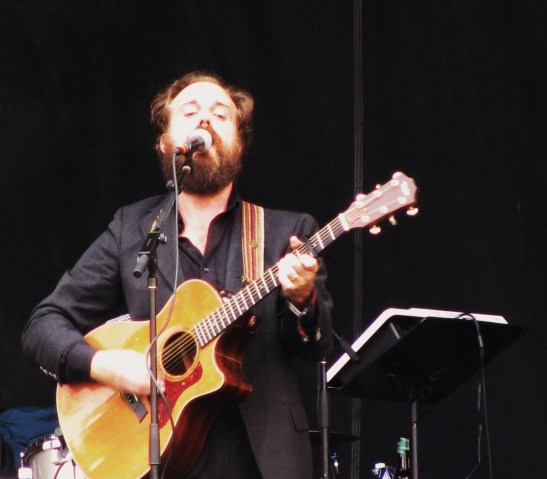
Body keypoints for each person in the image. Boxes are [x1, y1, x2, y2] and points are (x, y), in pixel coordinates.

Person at [22, 71, 333, 479]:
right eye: (190, 112)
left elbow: (316, 344)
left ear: (240, 144)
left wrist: (303, 299)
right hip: (159, 457)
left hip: (261, 459)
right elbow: (43, 325)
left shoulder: (285, 232)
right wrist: (104, 365)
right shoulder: (132, 229)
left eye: (220, 114)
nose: (204, 119)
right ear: (164, 142)